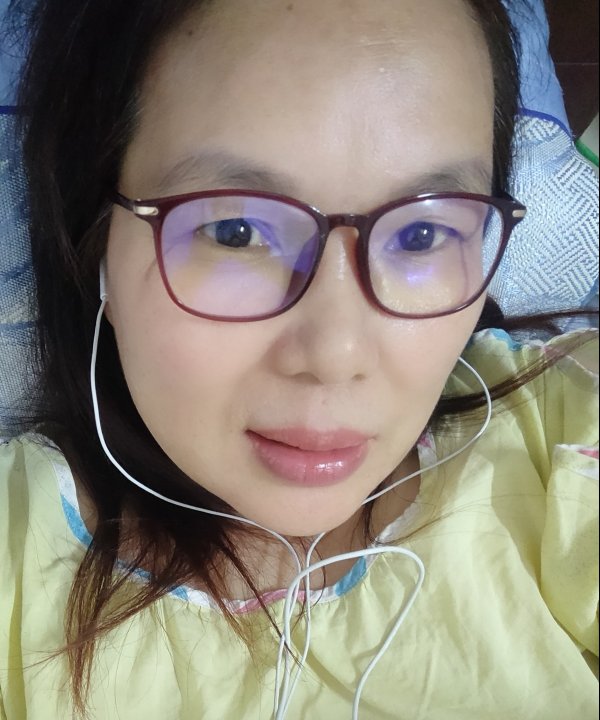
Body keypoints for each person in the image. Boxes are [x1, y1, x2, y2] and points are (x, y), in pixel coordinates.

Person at [0, 0, 597, 718]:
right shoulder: (15, 559)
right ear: (94, 238)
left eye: (422, 234)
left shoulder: (561, 439)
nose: (335, 355)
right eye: (236, 230)